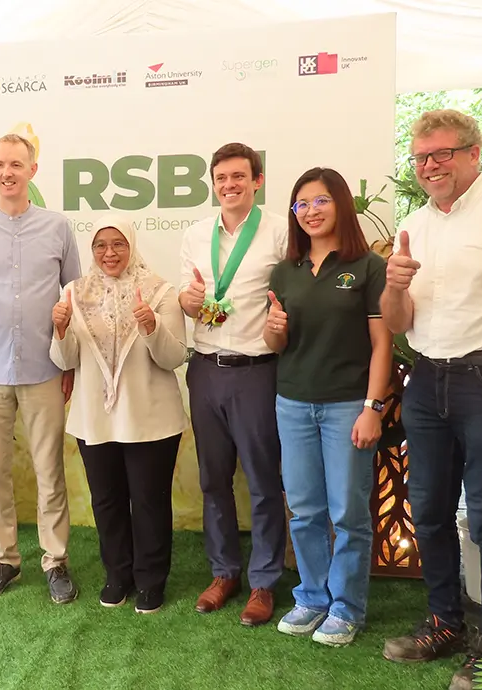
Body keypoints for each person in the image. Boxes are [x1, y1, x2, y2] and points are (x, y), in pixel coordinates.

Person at [379, 109, 482, 690]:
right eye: (421, 158)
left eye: (441, 154)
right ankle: (444, 623)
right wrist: (394, 287)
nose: (430, 166)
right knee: (426, 511)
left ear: (475, 152)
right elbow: (400, 323)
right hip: (425, 378)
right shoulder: (414, 224)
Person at [0, 133, 83, 604]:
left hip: (45, 367)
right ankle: (4, 558)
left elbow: (75, 294)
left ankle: (56, 561)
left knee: (49, 469)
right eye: (0, 164)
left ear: (32, 171)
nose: (8, 172)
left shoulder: (57, 227)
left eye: (17, 164)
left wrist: (71, 357)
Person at [265, 167, 391, 646]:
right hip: (292, 402)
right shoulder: (285, 270)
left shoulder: (366, 267)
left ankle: (347, 607)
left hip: (346, 407)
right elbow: (274, 341)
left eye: (320, 201)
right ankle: (311, 598)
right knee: (304, 510)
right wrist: (274, 328)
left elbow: (382, 343)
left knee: (347, 513)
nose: (310, 211)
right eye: (301, 204)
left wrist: (372, 407)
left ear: (340, 204)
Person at [49, 215, 188, 615]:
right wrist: (59, 330)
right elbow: (66, 359)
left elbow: (174, 355)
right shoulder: (74, 292)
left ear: (131, 245)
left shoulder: (160, 291)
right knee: (106, 501)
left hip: (150, 418)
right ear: (91, 250)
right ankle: (118, 575)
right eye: (100, 246)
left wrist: (152, 326)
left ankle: (150, 580)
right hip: (96, 417)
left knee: (149, 501)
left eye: (118, 244)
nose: (109, 253)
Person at [178, 142, 288, 627]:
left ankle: (263, 581)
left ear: (257, 180)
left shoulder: (279, 233)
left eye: (239, 177)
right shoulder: (195, 233)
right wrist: (189, 298)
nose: (229, 185)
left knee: (263, 483)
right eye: (221, 178)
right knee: (213, 480)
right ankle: (224, 573)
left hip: (256, 371)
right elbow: (186, 300)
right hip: (204, 369)